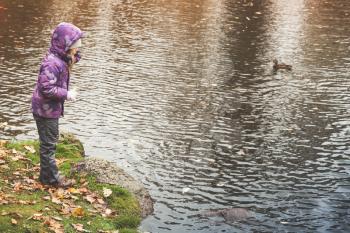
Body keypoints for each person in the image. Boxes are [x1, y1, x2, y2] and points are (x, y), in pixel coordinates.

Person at [31, 22, 84, 187]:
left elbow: (71, 59)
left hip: (49, 109)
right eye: (74, 46)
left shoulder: (60, 58)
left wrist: (73, 55)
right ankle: (52, 179)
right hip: (45, 111)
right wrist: (66, 94)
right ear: (65, 45)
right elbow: (46, 88)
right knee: (49, 145)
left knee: (49, 143)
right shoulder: (52, 63)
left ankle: (45, 176)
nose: (77, 49)